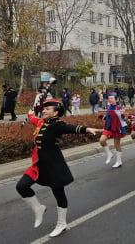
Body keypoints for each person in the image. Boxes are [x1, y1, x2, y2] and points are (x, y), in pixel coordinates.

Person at [16, 99, 102, 237]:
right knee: (21, 186)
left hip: (54, 165)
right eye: (43, 109)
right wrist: (30, 113)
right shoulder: (41, 122)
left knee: (59, 194)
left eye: (47, 109)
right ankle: (38, 208)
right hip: (38, 164)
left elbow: (70, 128)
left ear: (55, 112)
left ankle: (61, 223)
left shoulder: (57, 124)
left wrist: (86, 129)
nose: (43, 111)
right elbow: (33, 119)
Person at [99, 92, 127, 168]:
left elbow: (124, 118)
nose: (110, 100)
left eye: (111, 98)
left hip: (117, 128)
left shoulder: (119, 107)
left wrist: (123, 114)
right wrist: (101, 116)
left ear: (116, 99)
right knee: (102, 140)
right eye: (109, 98)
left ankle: (119, 161)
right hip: (109, 127)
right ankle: (109, 154)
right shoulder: (108, 107)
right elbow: (108, 118)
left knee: (117, 144)